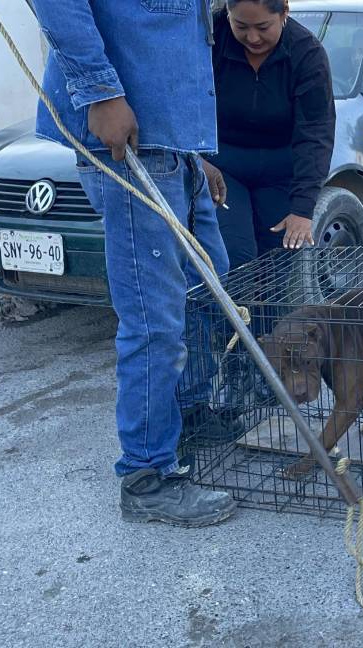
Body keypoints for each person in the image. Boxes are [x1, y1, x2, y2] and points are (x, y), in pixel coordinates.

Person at [29, 1, 237, 527]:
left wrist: (194, 146)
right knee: (153, 318)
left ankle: (187, 413)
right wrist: (101, 92)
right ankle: (147, 476)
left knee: (208, 282)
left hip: (175, 144)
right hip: (133, 145)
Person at [208, 0, 336, 271]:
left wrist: (303, 209)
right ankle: (234, 314)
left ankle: (271, 315)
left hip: (280, 170)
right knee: (234, 256)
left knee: (278, 261)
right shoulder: (210, 38)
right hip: (222, 167)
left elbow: (315, 132)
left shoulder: (307, 53)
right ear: (227, 14)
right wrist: (196, 160)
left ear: (284, 13)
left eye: (263, 27)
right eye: (240, 26)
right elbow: (184, 101)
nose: (252, 37)